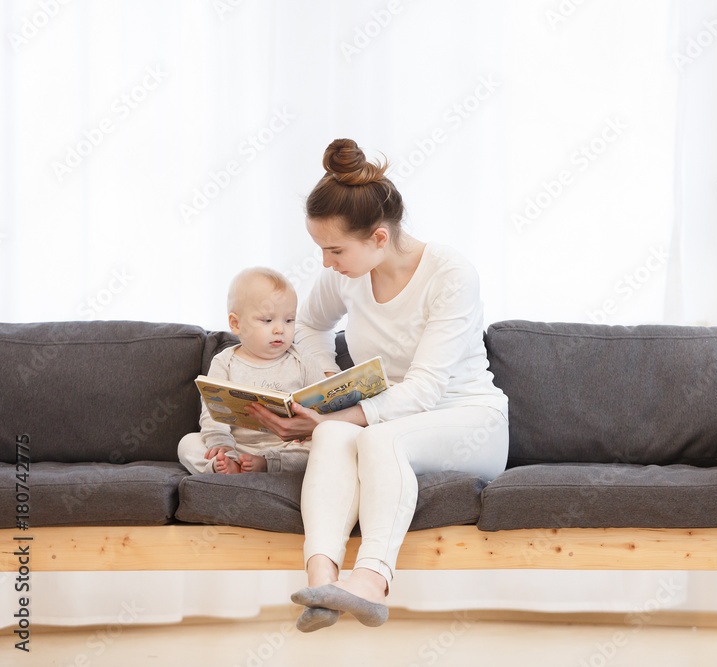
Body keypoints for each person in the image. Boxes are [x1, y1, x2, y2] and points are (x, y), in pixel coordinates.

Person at [245, 138, 509, 632]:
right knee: (331, 435)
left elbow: (427, 389)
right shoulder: (348, 274)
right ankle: (322, 581)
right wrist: (327, 379)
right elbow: (311, 325)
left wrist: (331, 416)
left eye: (335, 250)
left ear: (380, 238)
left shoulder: (450, 273)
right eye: (322, 249)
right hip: (387, 417)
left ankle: (370, 582)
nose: (327, 263)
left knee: (371, 435)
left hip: (469, 419)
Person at [177, 267, 326, 474]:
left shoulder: (303, 359)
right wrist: (222, 444)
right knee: (187, 443)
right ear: (236, 324)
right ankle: (224, 465)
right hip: (236, 445)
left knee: (320, 448)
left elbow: (322, 407)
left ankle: (265, 464)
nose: (280, 329)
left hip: (286, 446)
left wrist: (313, 428)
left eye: (289, 320)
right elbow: (212, 413)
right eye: (267, 320)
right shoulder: (224, 362)